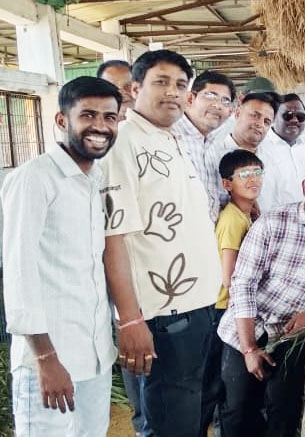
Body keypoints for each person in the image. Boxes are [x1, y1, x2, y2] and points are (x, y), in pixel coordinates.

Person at [101, 50, 222, 436]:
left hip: (199, 304)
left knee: (193, 410)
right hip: (164, 313)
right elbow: (113, 237)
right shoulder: (122, 144)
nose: (173, 92)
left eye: (180, 84)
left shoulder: (172, 139)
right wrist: (129, 319)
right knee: (170, 420)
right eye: (161, 82)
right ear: (135, 89)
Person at [2, 76, 120, 436]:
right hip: (50, 358)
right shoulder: (35, 178)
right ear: (61, 120)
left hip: (95, 356)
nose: (100, 126)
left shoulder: (95, 179)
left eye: (109, 117)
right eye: (88, 115)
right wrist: (45, 359)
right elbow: (19, 272)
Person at [217, 151, 305, 436]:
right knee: (237, 411)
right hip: (245, 331)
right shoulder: (273, 223)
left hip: (292, 338)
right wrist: (249, 349)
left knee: (283, 412)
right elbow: (242, 284)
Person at [98, 58, 144, 436]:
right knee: (132, 348)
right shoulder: (102, 146)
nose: (123, 96)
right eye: (114, 89)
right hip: (116, 268)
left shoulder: (149, 137)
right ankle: (142, 421)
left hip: (155, 271)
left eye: (129, 87)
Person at [171, 70, 236, 223]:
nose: (217, 105)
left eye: (225, 101)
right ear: (190, 98)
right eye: (210, 95)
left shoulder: (215, 146)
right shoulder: (169, 136)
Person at [217, 92, 279, 218]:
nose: (260, 124)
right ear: (238, 113)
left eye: (267, 122)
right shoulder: (215, 155)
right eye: (255, 116)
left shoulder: (272, 158)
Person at [215, 150, 264, 311]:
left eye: (257, 172)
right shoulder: (233, 220)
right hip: (227, 306)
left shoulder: (244, 214)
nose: (253, 179)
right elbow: (228, 278)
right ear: (227, 184)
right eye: (244, 174)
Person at [258, 93, 305, 213]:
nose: (294, 120)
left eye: (300, 116)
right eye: (288, 115)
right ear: (273, 117)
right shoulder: (260, 148)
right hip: (271, 220)